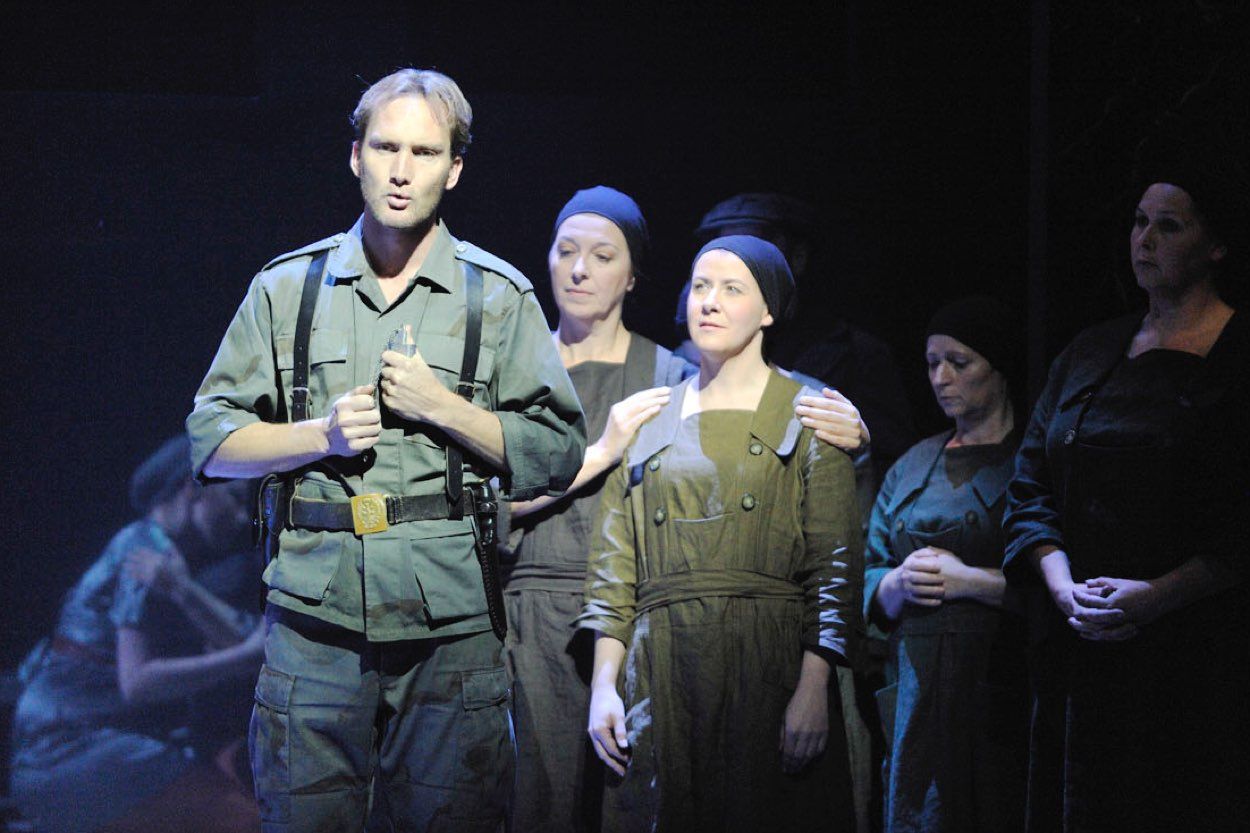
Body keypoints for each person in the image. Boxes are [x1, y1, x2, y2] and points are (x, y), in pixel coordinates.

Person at [186, 68, 586, 832]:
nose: (402, 170)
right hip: (316, 622)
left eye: (425, 152)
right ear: (355, 156)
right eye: (385, 147)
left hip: (450, 625)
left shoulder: (497, 297)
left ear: (454, 168)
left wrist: (446, 409)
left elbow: (561, 449)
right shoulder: (288, 289)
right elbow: (211, 441)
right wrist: (319, 436)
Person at [504, 187, 868, 833]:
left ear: (769, 310)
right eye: (701, 286)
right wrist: (606, 683)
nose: (709, 301)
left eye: (732, 289)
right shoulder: (650, 414)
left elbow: (834, 569)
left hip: (766, 656)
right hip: (660, 660)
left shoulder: (808, 412)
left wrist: (814, 686)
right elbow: (616, 567)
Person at [1003, 136, 1250, 831]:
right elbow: (1029, 485)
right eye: (1140, 222)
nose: (1145, 239)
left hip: (1194, 658)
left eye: (1169, 225)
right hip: (1081, 647)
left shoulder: (1238, 357)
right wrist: (1061, 585)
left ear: (1215, 245)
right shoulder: (1090, 350)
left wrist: (1156, 596)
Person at [9, 436, 264, 833]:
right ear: (192, 488)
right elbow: (138, 682)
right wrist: (243, 657)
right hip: (73, 749)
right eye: (234, 499)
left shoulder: (169, 562)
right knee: (244, 820)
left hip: (79, 751)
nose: (241, 517)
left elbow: (245, 644)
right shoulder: (144, 553)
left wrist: (188, 593)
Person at [864, 297, 1029, 833]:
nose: (941, 378)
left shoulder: (1031, 460)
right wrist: (895, 584)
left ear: (998, 367)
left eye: (959, 362)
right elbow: (868, 569)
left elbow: (1057, 582)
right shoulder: (912, 465)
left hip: (997, 676)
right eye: (933, 363)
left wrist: (970, 582)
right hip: (916, 684)